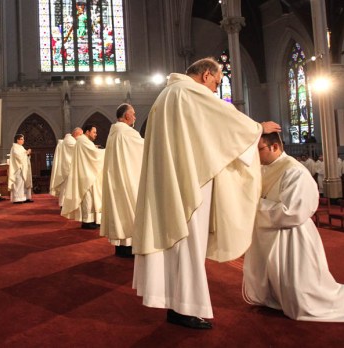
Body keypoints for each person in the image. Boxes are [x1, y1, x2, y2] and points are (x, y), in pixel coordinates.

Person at [132, 57, 281, 329]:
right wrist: (259, 128)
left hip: (172, 181)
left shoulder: (167, 95)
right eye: (217, 82)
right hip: (190, 182)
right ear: (206, 75)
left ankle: (175, 302)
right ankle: (184, 308)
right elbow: (224, 120)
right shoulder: (189, 92)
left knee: (177, 245)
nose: (215, 89)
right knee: (188, 244)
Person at [243, 132, 344, 322]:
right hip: (269, 233)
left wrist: (255, 206)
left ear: (274, 146)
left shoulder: (294, 171)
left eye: (259, 149)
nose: (256, 155)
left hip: (292, 236)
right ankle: (277, 299)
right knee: (275, 278)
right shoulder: (265, 168)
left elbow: (293, 211)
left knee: (297, 290)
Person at [100, 104, 144, 257]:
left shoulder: (114, 132)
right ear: (126, 116)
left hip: (117, 178)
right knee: (130, 208)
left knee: (120, 210)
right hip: (128, 177)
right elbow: (144, 149)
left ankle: (121, 246)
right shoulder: (127, 133)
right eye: (133, 114)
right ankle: (130, 246)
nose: (135, 117)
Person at [61, 125, 104, 229]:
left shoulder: (85, 141)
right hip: (86, 174)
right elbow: (94, 154)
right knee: (88, 198)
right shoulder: (83, 141)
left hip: (89, 172)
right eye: (94, 132)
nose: (96, 134)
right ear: (87, 132)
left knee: (91, 199)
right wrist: (106, 151)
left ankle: (92, 220)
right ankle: (87, 221)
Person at [49, 127, 83, 207]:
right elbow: (77, 148)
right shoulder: (69, 140)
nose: (81, 137)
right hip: (67, 168)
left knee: (68, 187)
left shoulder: (71, 140)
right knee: (66, 187)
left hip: (69, 167)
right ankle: (63, 204)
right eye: (80, 135)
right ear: (76, 134)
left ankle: (66, 204)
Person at [8, 134, 33, 203]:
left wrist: (27, 154)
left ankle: (24, 198)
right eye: (22, 139)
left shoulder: (21, 147)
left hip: (23, 168)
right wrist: (26, 153)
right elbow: (18, 157)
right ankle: (17, 199)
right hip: (18, 169)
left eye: (23, 139)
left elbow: (24, 156)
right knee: (18, 183)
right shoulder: (15, 147)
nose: (23, 140)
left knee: (23, 183)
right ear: (17, 140)